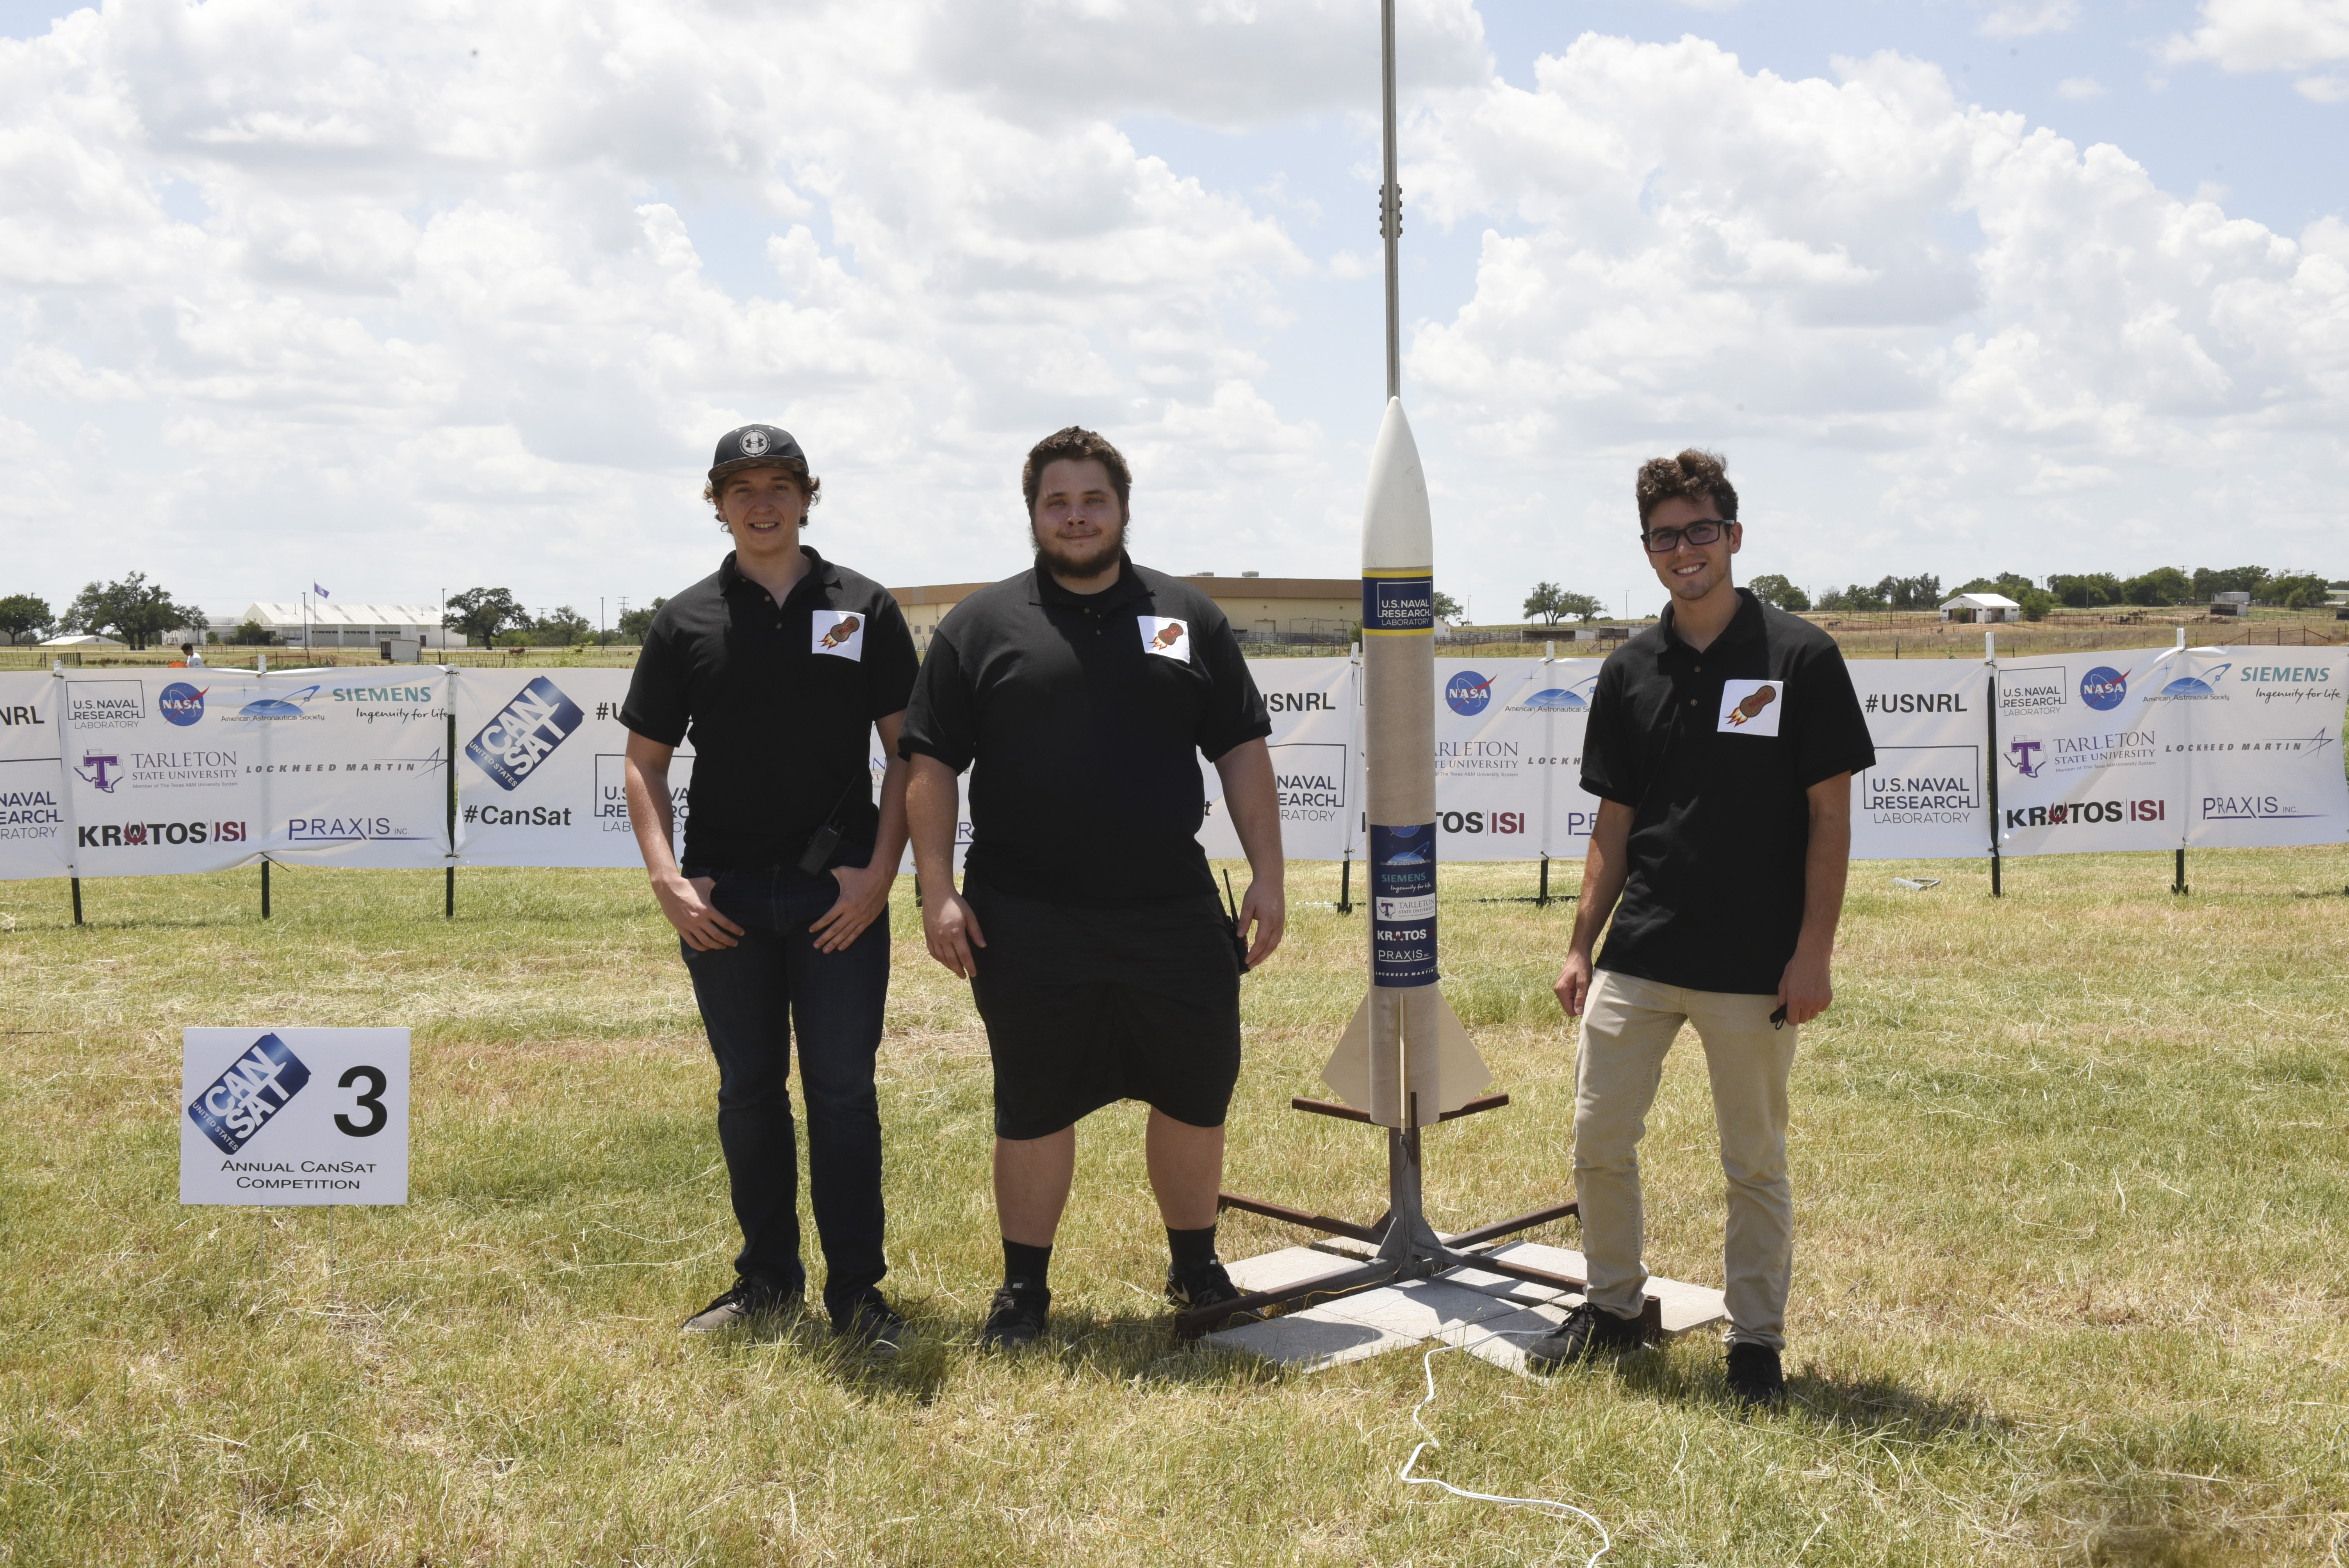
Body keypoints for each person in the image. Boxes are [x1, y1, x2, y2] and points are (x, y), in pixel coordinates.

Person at [899, 426, 1286, 1348]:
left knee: (1192, 1093)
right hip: (1025, 914)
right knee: (1032, 1102)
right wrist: (936, 890)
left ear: (1122, 508)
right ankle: (1022, 1292)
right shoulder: (979, 625)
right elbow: (930, 764)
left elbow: (1240, 750)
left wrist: (1269, 875)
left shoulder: (1187, 616)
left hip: (1171, 910)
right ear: (1033, 513)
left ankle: (1195, 1269)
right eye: (1057, 503)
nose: (1075, 518)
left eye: (1092, 501)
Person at [1528, 449, 1875, 1407]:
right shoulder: (1628, 668)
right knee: (1597, 1137)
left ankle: (1753, 1343)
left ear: (1733, 536)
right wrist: (1578, 942)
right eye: (1664, 536)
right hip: (1640, 950)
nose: (1684, 550)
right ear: (1646, 549)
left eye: (1700, 530)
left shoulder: (1798, 656)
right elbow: (1612, 823)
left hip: (1753, 963)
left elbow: (1830, 817)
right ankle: (1610, 1310)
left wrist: (1812, 952)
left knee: (1752, 1161)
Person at [620, 424, 920, 1350]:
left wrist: (880, 874)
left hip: (839, 899)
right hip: (726, 901)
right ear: (716, 504)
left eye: (779, 485)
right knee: (748, 1091)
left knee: (842, 1092)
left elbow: (908, 755)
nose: (761, 503)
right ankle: (766, 1284)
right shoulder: (685, 620)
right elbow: (643, 763)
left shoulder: (864, 606)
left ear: (806, 496)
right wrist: (667, 879)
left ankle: (858, 1294)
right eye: (741, 488)